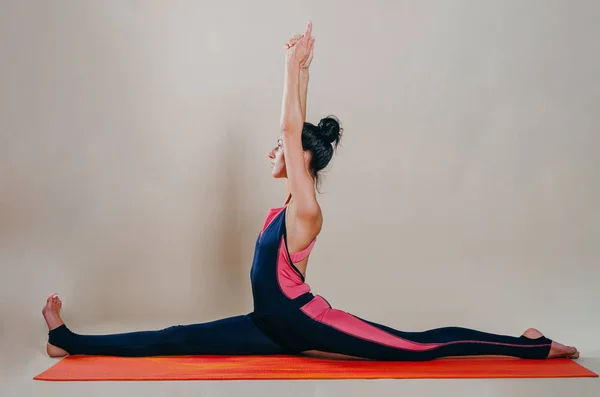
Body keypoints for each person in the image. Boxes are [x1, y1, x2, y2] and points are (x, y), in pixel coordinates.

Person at [43, 22, 578, 361]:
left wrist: (288, 68)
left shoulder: (306, 208)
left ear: (299, 159)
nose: (271, 153)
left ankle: (527, 346)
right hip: (270, 328)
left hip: (307, 322)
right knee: (175, 336)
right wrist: (303, 69)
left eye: (279, 150)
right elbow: (293, 133)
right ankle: (67, 340)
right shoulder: (287, 205)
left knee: (417, 347)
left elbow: (289, 130)